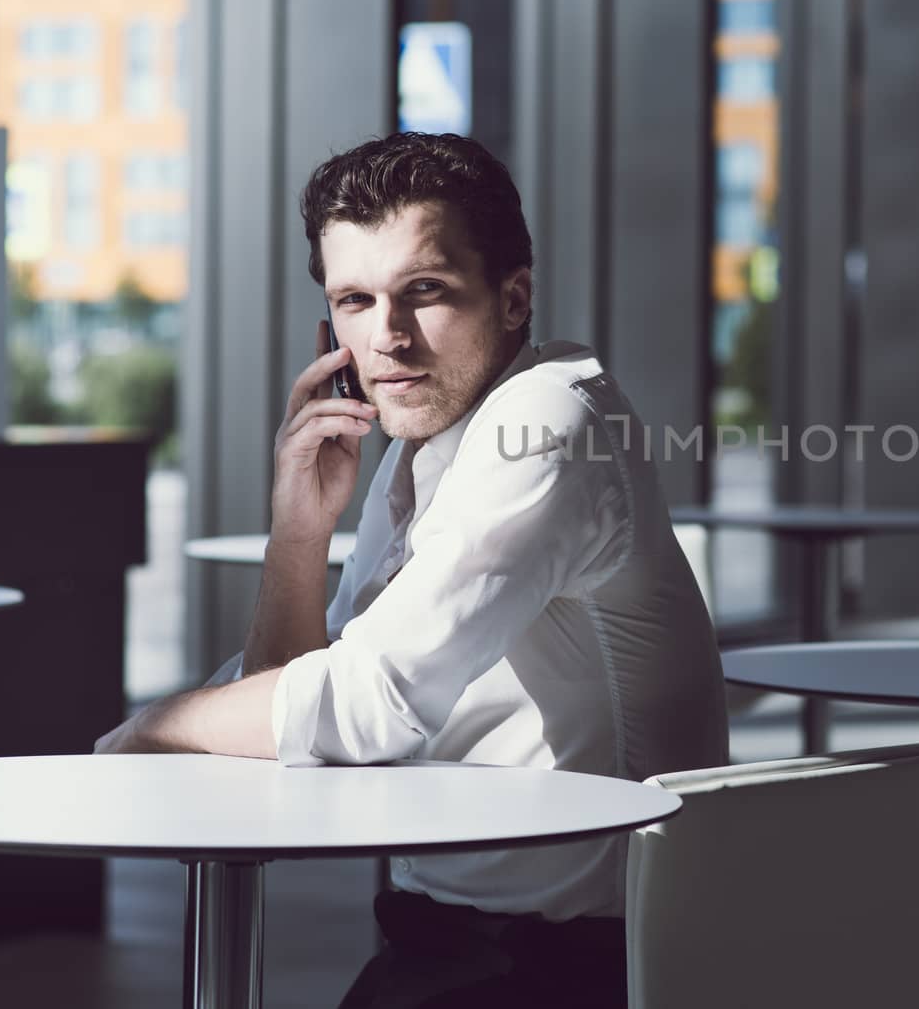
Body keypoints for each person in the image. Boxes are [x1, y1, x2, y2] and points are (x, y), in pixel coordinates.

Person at [95, 131, 729, 1007]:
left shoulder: (543, 422)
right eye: (354, 299)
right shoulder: (423, 441)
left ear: (514, 298)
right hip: (453, 934)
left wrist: (154, 725)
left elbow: (370, 701)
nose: (386, 337)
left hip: (588, 962)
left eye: (424, 292)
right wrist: (299, 535)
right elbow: (307, 691)